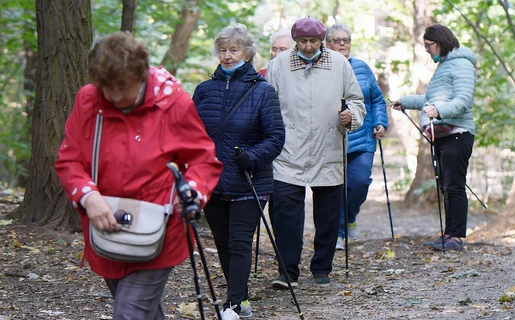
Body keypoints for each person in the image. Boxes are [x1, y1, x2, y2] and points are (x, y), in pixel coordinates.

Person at [54, 31, 223, 319]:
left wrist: (193, 191)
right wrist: (87, 195)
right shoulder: (89, 100)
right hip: (107, 226)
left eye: (124, 87)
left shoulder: (173, 103)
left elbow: (203, 160)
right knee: (140, 310)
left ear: (142, 75)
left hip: (160, 229)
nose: (116, 96)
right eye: (108, 88)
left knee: (129, 312)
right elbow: (69, 159)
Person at [192, 23, 285, 320]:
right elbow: (190, 133)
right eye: (223, 50)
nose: (227, 56)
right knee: (222, 243)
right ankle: (241, 299)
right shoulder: (204, 90)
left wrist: (253, 156)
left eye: (234, 50)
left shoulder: (263, 91)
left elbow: (276, 136)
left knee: (239, 241)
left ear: (247, 53)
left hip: (250, 181)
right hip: (213, 181)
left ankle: (232, 306)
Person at [266, 16, 366, 287]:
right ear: (295, 40)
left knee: (328, 213)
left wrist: (350, 116)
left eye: (313, 41)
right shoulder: (278, 65)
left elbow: (357, 101)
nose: (308, 46)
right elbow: (268, 103)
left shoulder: (339, 63)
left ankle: (322, 267)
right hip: (288, 150)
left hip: (328, 145)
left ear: (322, 40)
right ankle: (287, 271)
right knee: (285, 213)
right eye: (302, 41)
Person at [391, 24, 477, 252]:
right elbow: (430, 99)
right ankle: (449, 234)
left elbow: (464, 100)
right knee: (446, 186)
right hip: (443, 135)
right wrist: (405, 102)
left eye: (429, 45)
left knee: (455, 186)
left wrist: (439, 111)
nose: (427, 51)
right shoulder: (445, 66)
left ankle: (456, 238)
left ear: (440, 40)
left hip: (458, 133)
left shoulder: (461, 65)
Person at [325, 24, 388, 250]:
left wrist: (380, 122)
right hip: (332, 139)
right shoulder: (323, 69)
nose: (342, 44)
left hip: (363, 138)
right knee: (335, 189)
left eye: (346, 40)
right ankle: (339, 233)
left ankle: (350, 217)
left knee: (359, 183)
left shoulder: (362, 68)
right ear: (327, 44)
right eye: (337, 40)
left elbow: (377, 100)